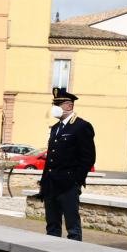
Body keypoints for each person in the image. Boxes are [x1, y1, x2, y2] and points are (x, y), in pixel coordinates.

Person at [40, 88, 96, 241]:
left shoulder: (81, 126)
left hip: (68, 184)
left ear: (69, 106)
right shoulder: (56, 128)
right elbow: (51, 158)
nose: (55, 107)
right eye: (54, 103)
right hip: (52, 183)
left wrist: (76, 180)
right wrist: (44, 182)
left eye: (58, 103)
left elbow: (88, 158)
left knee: (72, 226)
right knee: (52, 225)